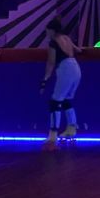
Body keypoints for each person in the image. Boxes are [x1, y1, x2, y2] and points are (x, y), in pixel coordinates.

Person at [40, 19, 82, 150]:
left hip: (65, 69)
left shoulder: (53, 42)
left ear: (52, 30)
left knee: (55, 102)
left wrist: (45, 79)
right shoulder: (66, 38)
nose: (46, 32)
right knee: (66, 100)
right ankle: (71, 128)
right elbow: (78, 50)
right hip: (76, 67)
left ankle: (53, 136)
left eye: (47, 29)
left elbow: (51, 62)